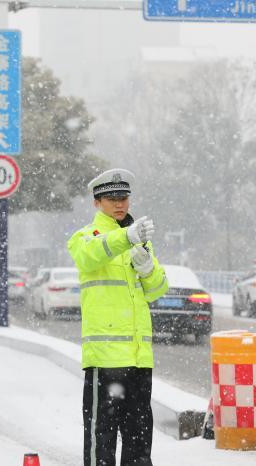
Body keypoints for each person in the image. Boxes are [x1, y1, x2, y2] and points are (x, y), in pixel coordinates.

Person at [67, 168, 169, 466]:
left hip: (138, 357)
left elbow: (157, 290)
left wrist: (148, 268)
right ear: (97, 202)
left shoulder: (140, 241)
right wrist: (126, 236)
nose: (120, 204)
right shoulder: (86, 237)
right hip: (106, 359)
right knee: (103, 439)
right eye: (111, 198)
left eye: (123, 197)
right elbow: (90, 256)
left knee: (139, 439)